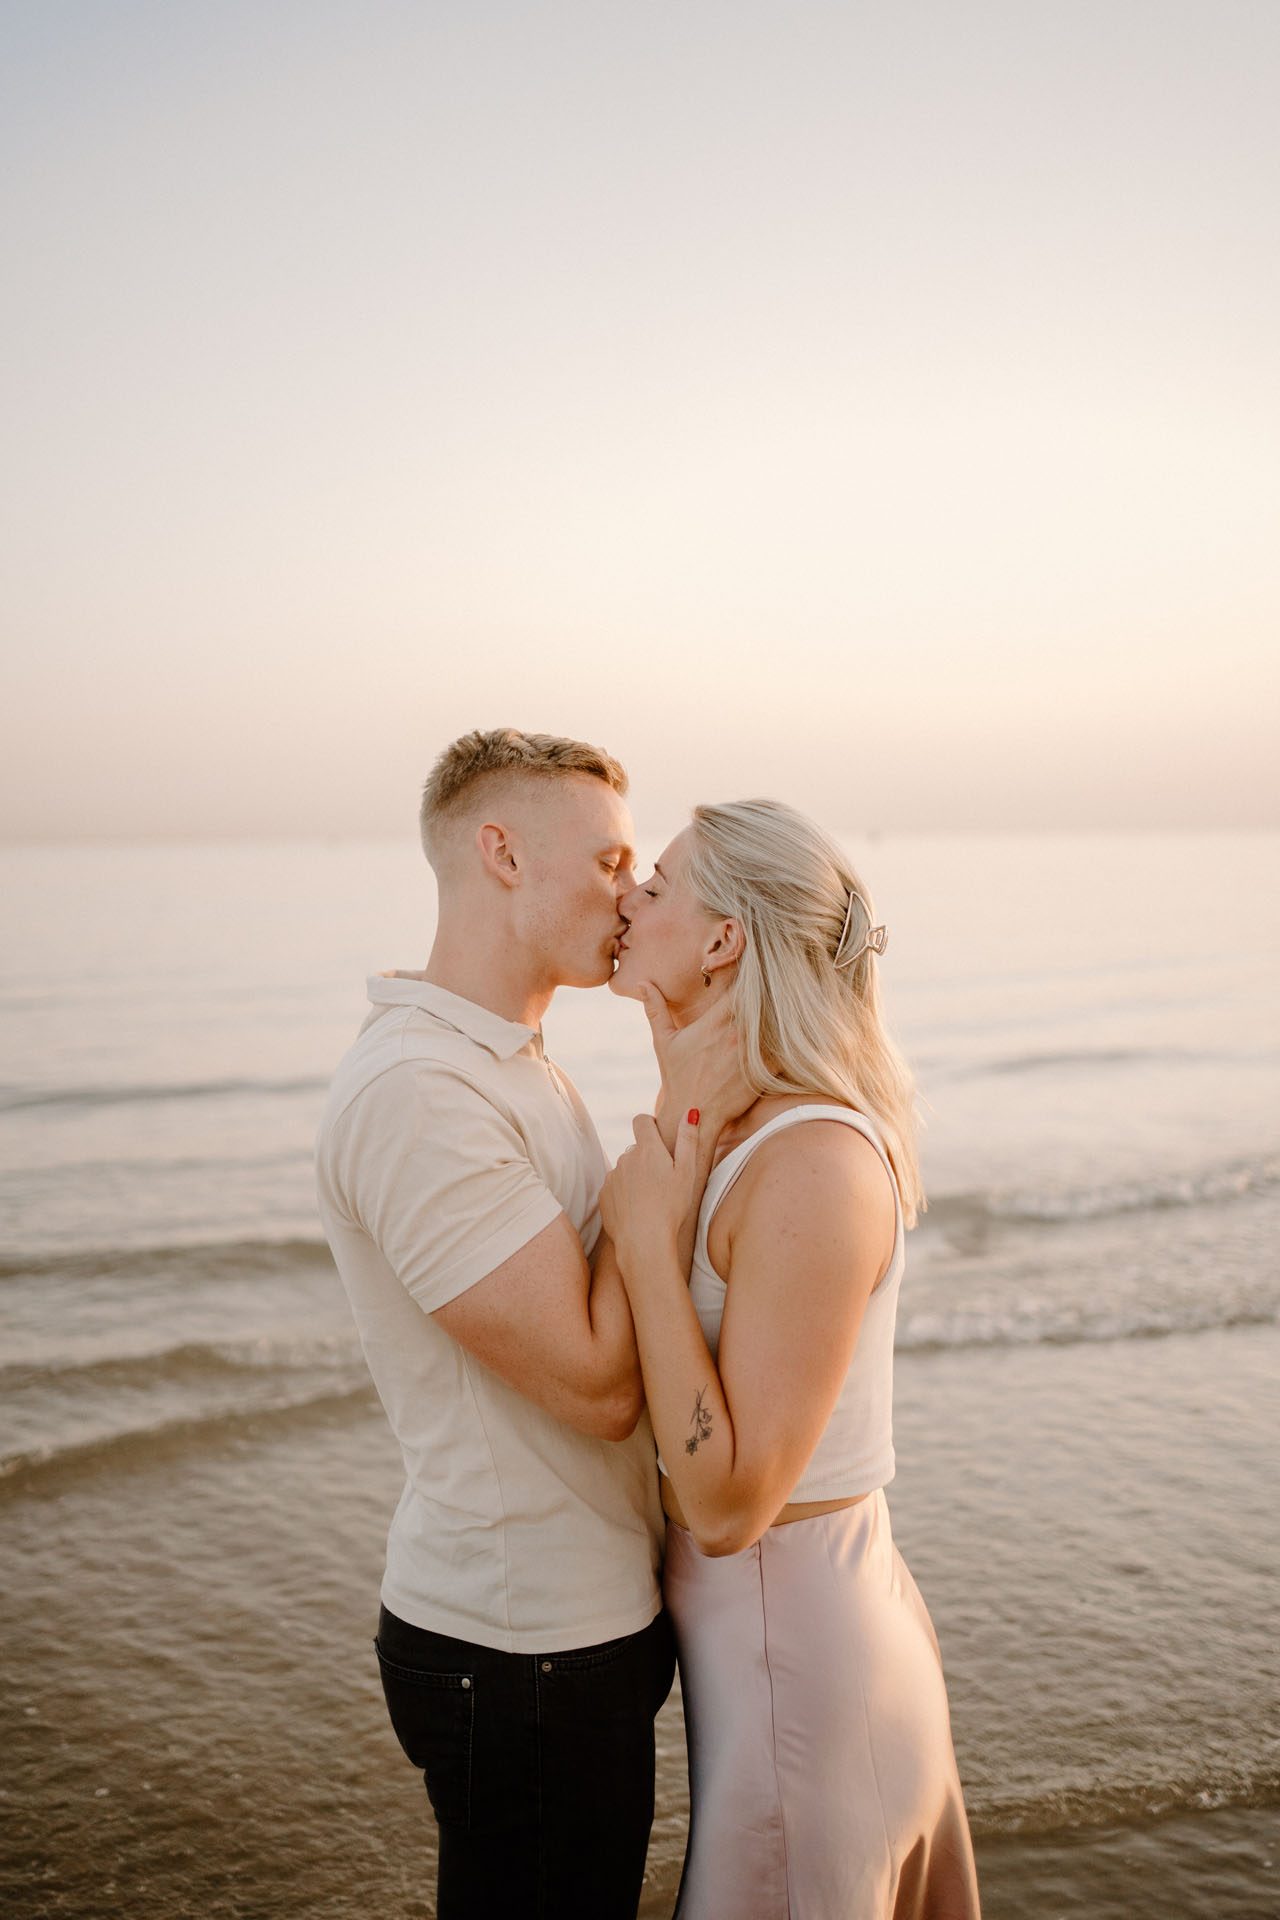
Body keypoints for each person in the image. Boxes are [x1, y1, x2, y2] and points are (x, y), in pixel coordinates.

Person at [315, 728, 692, 1920]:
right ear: (502, 854)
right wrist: (653, 1203)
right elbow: (592, 1382)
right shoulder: (419, 1092)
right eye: (609, 860)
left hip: (578, 1620)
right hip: (518, 1641)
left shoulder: (518, 1062)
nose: (631, 894)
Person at [601, 798, 982, 1919]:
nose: (627, 897)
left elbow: (725, 1506)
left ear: (724, 940)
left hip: (799, 1677)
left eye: (657, 884)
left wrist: (642, 1251)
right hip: (791, 1655)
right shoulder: (739, 1131)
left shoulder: (812, 1161)